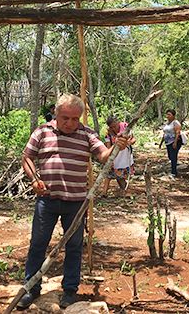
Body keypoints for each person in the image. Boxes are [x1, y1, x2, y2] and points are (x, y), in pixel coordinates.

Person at [20, 94, 128, 309]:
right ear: (56, 115)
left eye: (75, 119)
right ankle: (31, 288)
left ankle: (70, 290)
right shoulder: (42, 132)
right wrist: (34, 180)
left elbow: (103, 156)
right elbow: (27, 157)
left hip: (76, 203)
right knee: (38, 244)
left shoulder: (87, 134)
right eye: (65, 118)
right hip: (47, 201)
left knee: (74, 246)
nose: (70, 123)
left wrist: (117, 146)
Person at [101, 116, 136, 197]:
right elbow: (108, 146)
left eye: (115, 126)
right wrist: (109, 159)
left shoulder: (125, 128)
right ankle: (104, 192)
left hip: (125, 156)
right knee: (109, 174)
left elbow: (133, 139)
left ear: (118, 123)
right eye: (111, 127)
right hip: (115, 156)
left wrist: (128, 143)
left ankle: (124, 190)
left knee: (122, 176)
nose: (114, 128)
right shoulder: (108, 134)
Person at [160, 109, 183, 177]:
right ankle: (174, 167)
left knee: (173, 156)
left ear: (173, 115)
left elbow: (177, 132)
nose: (167, 116)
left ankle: (174, 172)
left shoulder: (175, 123)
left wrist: (175, 142)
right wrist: (161, 142)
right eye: (167, 114)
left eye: (169, 114)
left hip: (175, 141)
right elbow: (165, 133)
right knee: (170, 156)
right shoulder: (167, 123)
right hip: (168, 142)